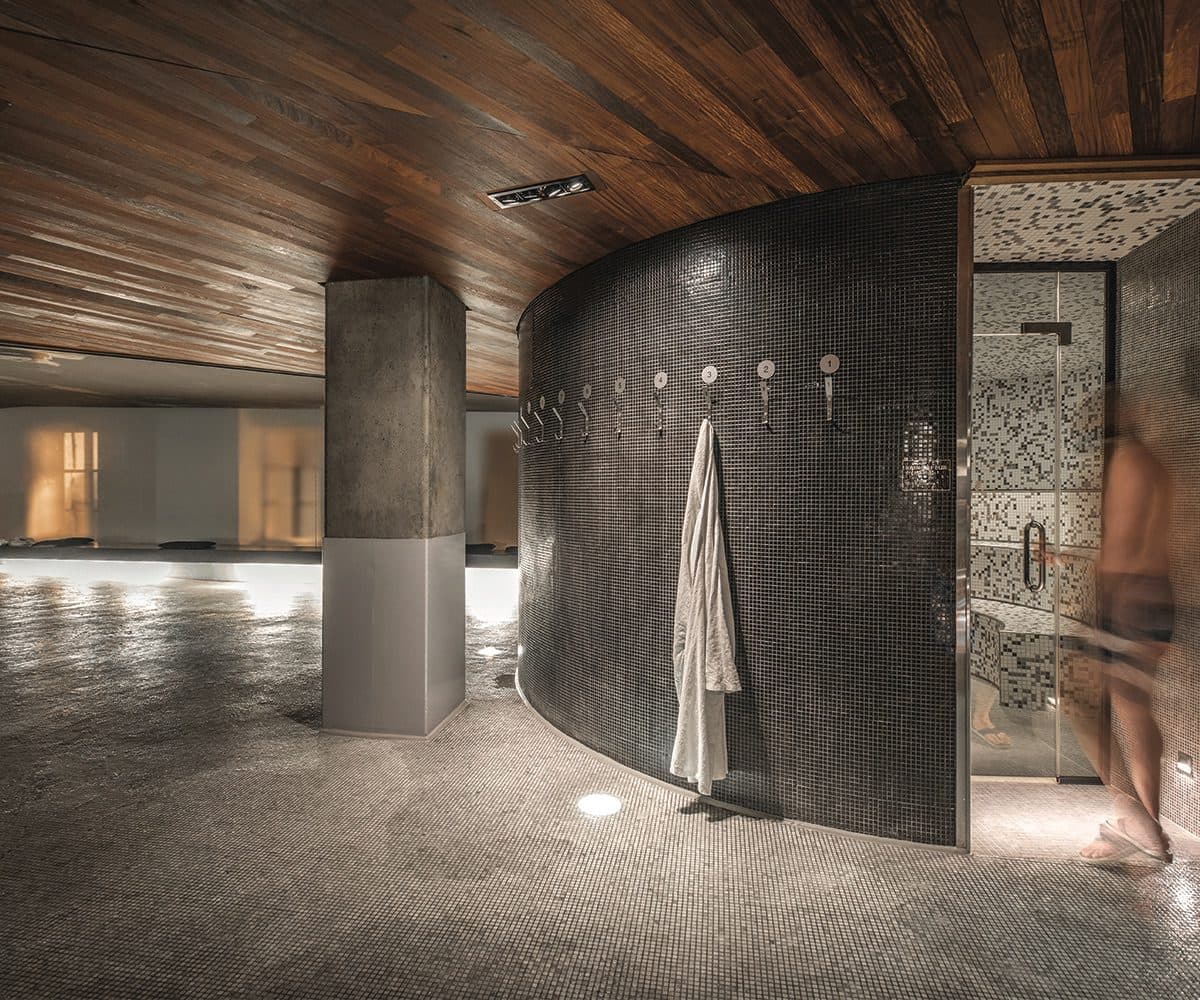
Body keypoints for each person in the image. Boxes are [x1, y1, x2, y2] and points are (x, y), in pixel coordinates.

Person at [1067, 390, 1175, 866]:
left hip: (1128, 602)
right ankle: (1148, 825)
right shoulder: (1152, 463)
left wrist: (1095, 609)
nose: (1090, 422)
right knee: (1134, 712)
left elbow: (1124, 544)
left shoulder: (1128, 461)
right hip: (1154, 599)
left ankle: (1132, 814)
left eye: (1097, 413)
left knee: (1076, 695)